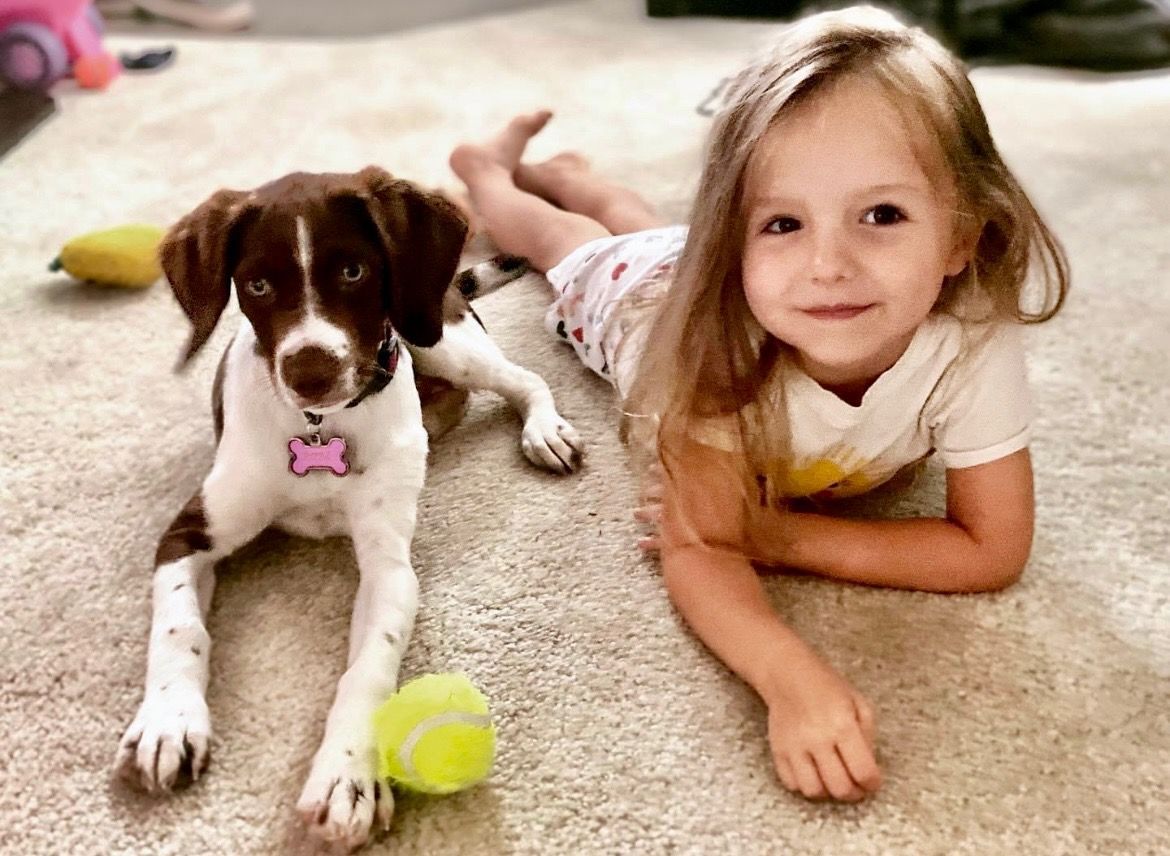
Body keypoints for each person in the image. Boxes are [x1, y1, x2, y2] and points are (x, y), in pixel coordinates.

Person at [447, 5, 1068, 803]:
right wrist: (790, 679)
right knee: (560, 242)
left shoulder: (974, 339)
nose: (827, 265)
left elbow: (992, 550)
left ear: (961, 234)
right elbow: (700, 545)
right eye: (784, 221)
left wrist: (776, 534)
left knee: (654, 232)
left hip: (705, 265)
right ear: (733, 244)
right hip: (640, 303)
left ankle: (578, 176)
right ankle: (490, 173)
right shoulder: (716, 356)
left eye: (882, 214)